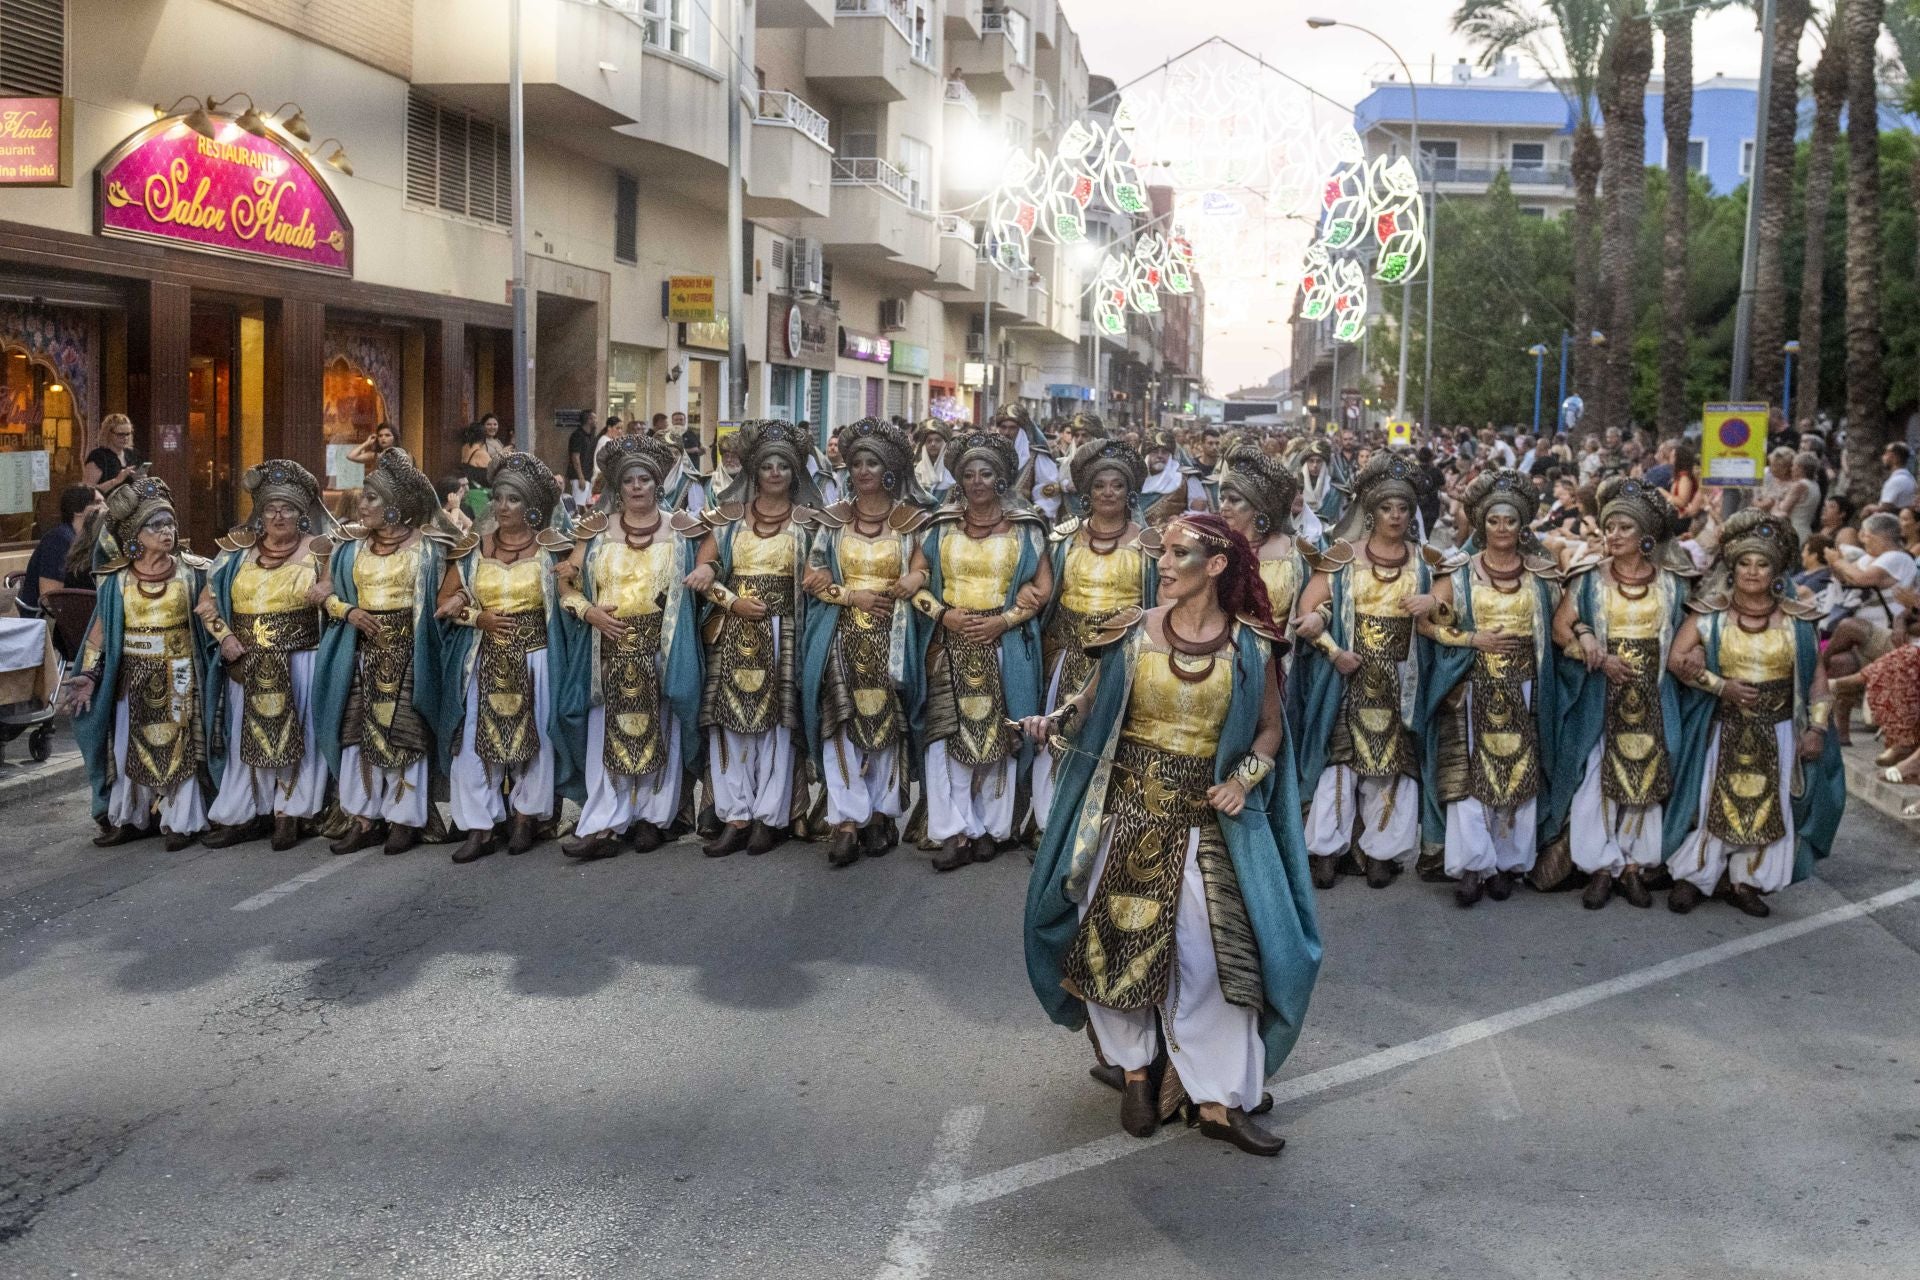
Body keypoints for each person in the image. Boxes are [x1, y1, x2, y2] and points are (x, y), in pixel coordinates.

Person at [1022, 512, 1320, 1157]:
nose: (1160, 562)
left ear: (1214, 566)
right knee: (1116, 946)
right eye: (1162, 552)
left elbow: (1271, 730)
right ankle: (1135, 1071)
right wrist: (1053, 721)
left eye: (1177, 553)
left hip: (1206, 824)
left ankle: (1216, 1099)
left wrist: (1243, 779)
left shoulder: (1252, 645)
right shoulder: (1131, 633)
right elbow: (1089, 706)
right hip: (1125, 817)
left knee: (1213, 960)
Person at [1663, 510, 1844, 916]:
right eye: (1744, 563)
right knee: (1711, 800)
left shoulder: (1799, 621)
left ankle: (1746, 880)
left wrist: (1815, 728)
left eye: (1761, 564)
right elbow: (1676, 659)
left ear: (1775, 570)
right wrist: (1719, 685)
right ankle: (1696, 876)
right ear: (1733, 566)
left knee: (1770, 804)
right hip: (1722, 726)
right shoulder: (1709, 613)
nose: (1752, 571)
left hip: (1779, 730)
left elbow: (1817, 680)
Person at [1292, 454, 1453, 890]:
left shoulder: (1426, 559)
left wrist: (1433, 601)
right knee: (1339, 761)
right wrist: (1332, 649)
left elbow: (1456, 585)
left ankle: (1383, 852)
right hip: (1349, 674)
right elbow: (1308, 610)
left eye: (1403, 509)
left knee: (1392, 766)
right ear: (1371, 511)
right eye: (1386, 508)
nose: (1395, 516)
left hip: (1403, 680)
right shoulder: (1344, 556)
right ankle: (1326, 849)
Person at [556, 434, 705, 860]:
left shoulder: (681, 529)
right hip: (607, 647)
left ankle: (652, 818)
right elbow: (566, 583)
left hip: (660, 646)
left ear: (657, 484)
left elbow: (713, 556)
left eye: (645, 479)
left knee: (661, 728)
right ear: (617, 488)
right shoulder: (595, 531)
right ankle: (604, 822)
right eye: (628, 481)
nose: (637, 487)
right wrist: (588, 612)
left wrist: (708, 568)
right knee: (607, 734)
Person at [907, 430, 1051, 871]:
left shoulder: (1027, 529)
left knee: (1002, 736)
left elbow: (1042, 589)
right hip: (949, 641)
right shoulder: (939, 525)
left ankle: (992, 828)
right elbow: (918, 577)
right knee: (944, 737)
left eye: (986, 473)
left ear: (1002, 478)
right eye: (968, 474)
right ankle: (954, 831)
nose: (977, 481)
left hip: (1005, 644)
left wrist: (1002, 622)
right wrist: (942, 614)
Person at [1418, 471, 1564, 905]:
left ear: (1523, 527)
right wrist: (1470, 639)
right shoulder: (1459, 571)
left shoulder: (1542, 574)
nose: (1502, 529)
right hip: (1472, 686)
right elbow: (1427, 624)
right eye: (1495, 521)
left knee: (1517, 777)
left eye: (1511, 521)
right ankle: (1472, 867)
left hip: (1524, 688)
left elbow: (1561, 625)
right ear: (1482, 524)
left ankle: (1507, 864)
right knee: (1469, 780)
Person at [1549, 477, 1695, 908]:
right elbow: (1560, 627)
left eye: (1623, 528)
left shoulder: (1673, 583)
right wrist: (1587, 640)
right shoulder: (1590, 579)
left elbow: (1696, 633)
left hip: (1654, 693)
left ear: (1646, 537)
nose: (1612, 535)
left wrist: (1696, 658)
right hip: (1602, 694)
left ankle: (1634, 866)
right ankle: (1599, 866)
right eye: (1608, 527)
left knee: (1647, 777)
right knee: (1595, 779)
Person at [437, 452, 585, 862]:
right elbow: (445, 599)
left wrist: (579, 600)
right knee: (472, 744)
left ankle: (525, 817)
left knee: (535, 740)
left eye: (513, 499)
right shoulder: (472, 548)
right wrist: (473, 615)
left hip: (537, 657)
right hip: (484, 658)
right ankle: (480, 826)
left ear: (532, 506)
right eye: (498, 498)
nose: (502, 507)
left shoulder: (553, 549)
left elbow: (571, 596)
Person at [683, 420, 820, 858]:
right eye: (767, 466)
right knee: (728, 725)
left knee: (779, 727)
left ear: (795, 472)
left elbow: (823, 572)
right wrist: (725, 595)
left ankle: (771, 817)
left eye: (783, 466)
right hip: (733, 629)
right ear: (753, 472)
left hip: (785, 633)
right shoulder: (727, 520)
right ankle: (734, 815)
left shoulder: (811, 522)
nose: (775, 473)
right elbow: (707, 569)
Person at [311, 449, 457, 856]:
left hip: (412, 654)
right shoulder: (348, 548)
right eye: (364, 496)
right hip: (360, 654)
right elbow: (327, 598)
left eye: (373, 498)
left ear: (396, 505)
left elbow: (462, 583)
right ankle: (362, 817)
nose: (363, 504)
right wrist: (349, 611)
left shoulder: (431, 548)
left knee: (405, 736)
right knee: (357, 735)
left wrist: (457, 603)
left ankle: (404, 819)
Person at [799, 420, 932, 866]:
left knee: (889, 725)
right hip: (841, 634)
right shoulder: (834, 519)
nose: (862, 471)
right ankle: (846, 820)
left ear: (889, 468)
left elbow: (924, 567)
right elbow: (812, 576)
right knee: (840, 723)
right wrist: (851, 595)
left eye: (871, 462)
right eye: (855, 463)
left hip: (893, 638)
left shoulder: (912, 520)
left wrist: (914, 578)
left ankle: (880, 813)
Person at [67, 471, 213, 849]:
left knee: (178, 748)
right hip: (130, 676)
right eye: (155, 524)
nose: (166, 531)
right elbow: (100, 633)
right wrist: (89, 674)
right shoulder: (117, 581)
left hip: (180, 673)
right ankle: (131, 818)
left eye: (169, 522)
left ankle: (182, 820)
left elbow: (212, 619)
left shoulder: (194, 573)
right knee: (126, 748)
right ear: (135, 536)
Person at [196, 461, 333, 850]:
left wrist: (327, 586)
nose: (278, 516)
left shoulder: (321, 550)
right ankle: (243, 813)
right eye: (271, 508)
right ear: (260, 513)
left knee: (300, 735)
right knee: (246, 737)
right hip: (247, 663)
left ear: (301, 513)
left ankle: (293, 811)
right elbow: (206, 602)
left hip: (301, 658)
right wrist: (223, 638)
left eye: (287, 508)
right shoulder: (235, 551)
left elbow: (339, 583)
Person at [1029, 439, 1158, 830]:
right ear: (1087, 492)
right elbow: (1045, 594)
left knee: (1117, 739)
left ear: (1129, 491)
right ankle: (1053, 823)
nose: (1108, 493)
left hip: (1126, 658)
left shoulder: (1149, 543)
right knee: (1062, 731)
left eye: (1116, 485)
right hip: (1070, 653)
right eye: (1100, 485)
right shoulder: (1064, 538)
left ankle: (1105, 823)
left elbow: (1157, 601)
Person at [1215, 446, 1307, 635]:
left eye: (1234, 500)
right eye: (1222, 499)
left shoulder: (1294, 551)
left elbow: (1321, 601)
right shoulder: (1213, 546)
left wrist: (1319, 617)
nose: (1224, 507)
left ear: (1258, 507)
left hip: (1281, 656)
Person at [20, 486, 99, 615]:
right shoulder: (58, 540)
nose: (105, 508)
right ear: (78, 510)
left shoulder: (84, 541)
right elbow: (50, 598)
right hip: (49, 619)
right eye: (98, 503)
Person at [83, 414, 144, 496]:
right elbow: (86, 492)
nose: (125, 438)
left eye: (128, 434)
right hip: (106, 505)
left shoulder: (132, 454)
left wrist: (140, 479)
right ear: (108, 434)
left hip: (130, 504)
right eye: (120, 434)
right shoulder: (98, 456)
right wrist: (116, 481)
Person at [567, 415, 608, 508]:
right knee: (578, 505)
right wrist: (580, 477)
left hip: (587, 476)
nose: (597, 421)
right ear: (589, 420)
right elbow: (575, 457)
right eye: (594, 418)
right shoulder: (578, 435)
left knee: (587, 504)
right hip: (579, 477)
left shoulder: (590, 435)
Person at [914, 424, 954, 505]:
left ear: (944, 444)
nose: (933, 444)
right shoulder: (918, 469)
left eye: (937, 440)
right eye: (929, 441)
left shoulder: (952, 468)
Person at [1878, 442, 1915, 512]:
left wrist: (1869, 508)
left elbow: (1884, 509)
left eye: (1887, 453)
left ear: (1896, 458)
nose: (1883, 457)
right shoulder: (1910, 478)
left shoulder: (1896, 481)